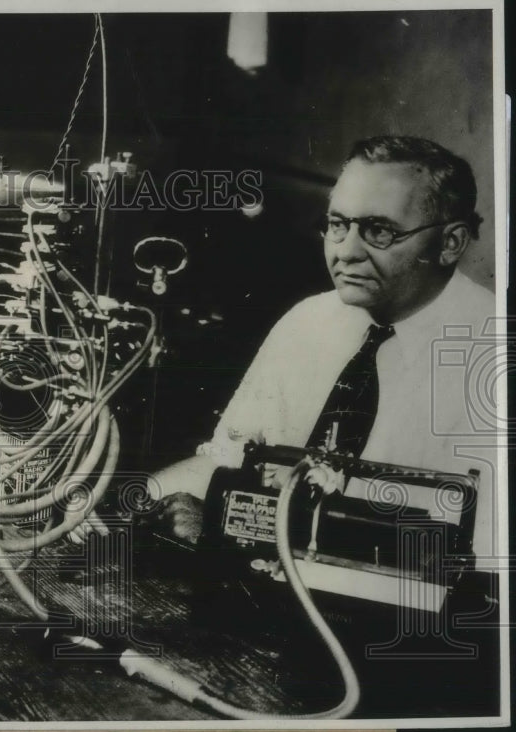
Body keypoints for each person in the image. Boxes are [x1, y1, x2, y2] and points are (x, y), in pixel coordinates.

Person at [151, 136, 497, 563]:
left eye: (380, 231)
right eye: (337, 225)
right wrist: (135, 503)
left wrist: (231, 530)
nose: (346, 251)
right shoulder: (310, 321)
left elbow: (479, 556)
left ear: (451, 243)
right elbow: (228, 460)